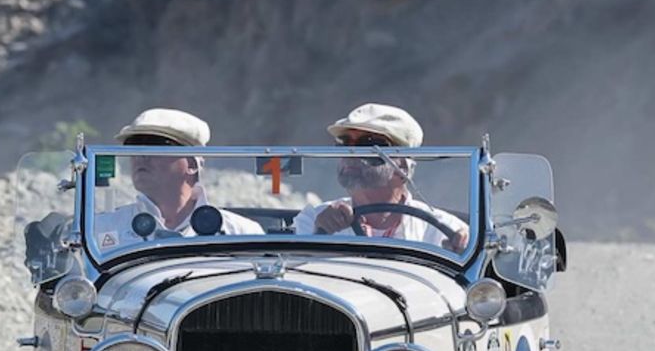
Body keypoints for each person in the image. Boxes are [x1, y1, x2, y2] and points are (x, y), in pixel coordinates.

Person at [293, 103, 470, 252]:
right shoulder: (313, 220)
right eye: (344, 143)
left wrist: (459, 254)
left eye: (369, 145)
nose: (351, 153)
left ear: (403, 166)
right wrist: (318, 237)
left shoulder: (444, 231)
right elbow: (293, 277)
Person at [90, 108, 262, 250]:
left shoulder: (242, 233)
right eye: (133, 147)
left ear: (192, 164)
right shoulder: (99, 230)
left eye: (155, 147)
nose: (141, 156)